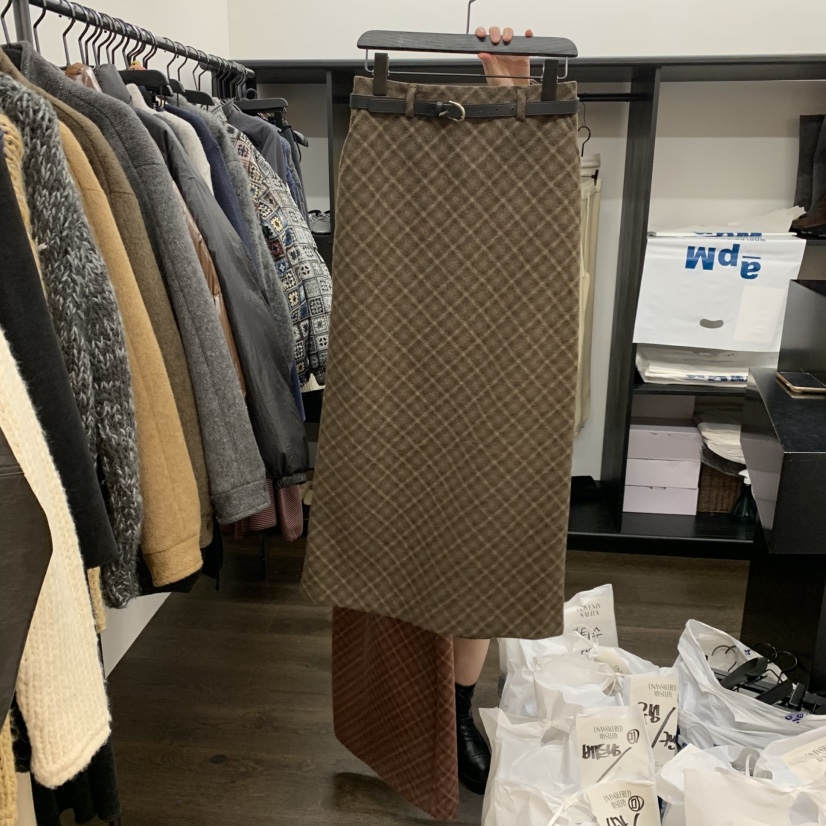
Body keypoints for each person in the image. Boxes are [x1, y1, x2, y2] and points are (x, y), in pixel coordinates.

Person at [453, 24, 535, 796]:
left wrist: (512, 94)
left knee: (480, 555)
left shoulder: (519, 197)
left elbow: (528, 195)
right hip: (413, 360)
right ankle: (424, 716)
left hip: (492, 368)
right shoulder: (398, 154)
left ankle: (454, 714)